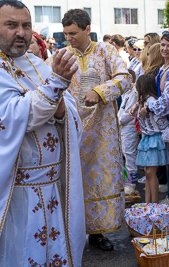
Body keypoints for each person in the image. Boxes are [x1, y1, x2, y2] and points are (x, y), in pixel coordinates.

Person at [0, 0, 85, 265]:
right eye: (11, 25)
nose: (21, 33)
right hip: (17, 192)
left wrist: (60, 109)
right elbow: (13, 117)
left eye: (26, 26)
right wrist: (56, 86)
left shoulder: (36, 63)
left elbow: (66, 106)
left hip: (52, 186)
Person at [49, 8, 131, 251]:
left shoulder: (105, 50)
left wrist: (99, 92)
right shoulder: (62, 55)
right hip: (71, 130)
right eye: (65, 33)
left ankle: (97, 233)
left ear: (87, 29)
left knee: (100, 179)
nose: (68, 38)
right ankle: (71, 232)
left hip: (102, 132)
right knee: (72, 181)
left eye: (73, 33)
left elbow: (125, 77)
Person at [138, 31, 169, 208]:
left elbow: (167, 102)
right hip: (164, 117)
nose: (165, 48)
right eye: (163, 45)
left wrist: (148, 106)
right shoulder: (166, 67)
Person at [129, 74, 169, 203]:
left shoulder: (152, 102)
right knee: (148, 173)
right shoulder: (144, 102)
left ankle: (154, 203)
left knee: (150, 173)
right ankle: (148, 203)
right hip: (148, 138)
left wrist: (168, 136)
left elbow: (160, 120)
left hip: (155, 138)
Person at [118, 70, 140, 185]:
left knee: (129, 152)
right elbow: (122, 109)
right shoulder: (125, 92)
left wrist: (118, 121)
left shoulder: (134, 92)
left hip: (129, 126)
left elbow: (129, 112)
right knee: (124, 152)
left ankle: (132, 180)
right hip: (122, 126)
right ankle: (127, 179)